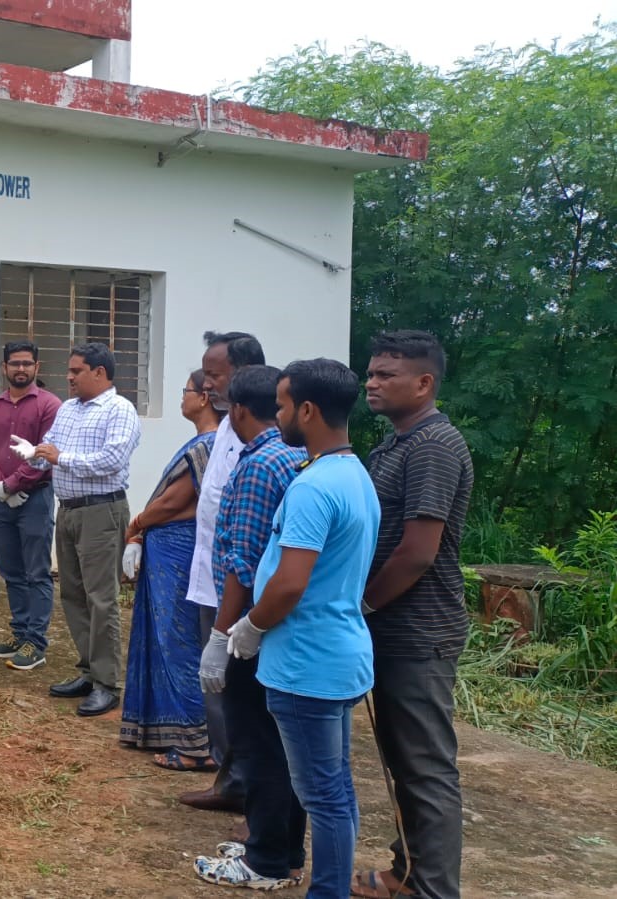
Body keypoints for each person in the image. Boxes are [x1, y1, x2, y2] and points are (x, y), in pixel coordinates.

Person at [224, 358, 380, 899]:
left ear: (308, 410)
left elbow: (290, 583)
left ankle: (328, 891)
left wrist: (248, 626)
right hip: (339, 653)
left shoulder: (314, 487)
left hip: (306, 663)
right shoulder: (353, 474)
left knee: (323, 795)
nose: (279, 414)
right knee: (334, 789)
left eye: (285, 405)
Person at [355, 331, 472, 899]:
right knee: (401, 759)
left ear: (424, 383)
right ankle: (407, 871)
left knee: (425, 769)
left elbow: (419, 551)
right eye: (371, 373)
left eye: (386, 375)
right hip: (390, 628)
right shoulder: (395, 444)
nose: (372, 383)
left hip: (418, 631)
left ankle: (433, 889)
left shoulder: (434, 447)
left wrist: (364, 605)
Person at [191, 365, 308, 890]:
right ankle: (282, 846)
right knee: (279, 743)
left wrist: (222, 636)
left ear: (238, 409)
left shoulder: (261, 464)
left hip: (252, 627)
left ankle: (265, 859)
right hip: (274, 624)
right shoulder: (293, 455)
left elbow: (246, 561)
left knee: (257, 740)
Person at [22, 343, 141, 717]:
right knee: (73, 594)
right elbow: (51, 449)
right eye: (70, 371)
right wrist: (34, 454)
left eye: (77, 371)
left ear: (100, 373)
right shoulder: (69, 409)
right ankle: (89, 671)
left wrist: (59, 458)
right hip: (70, 511)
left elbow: (111, 460)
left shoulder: (120, 410)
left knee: (101, 598)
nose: (69, 377)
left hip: (102, 512)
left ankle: (108, 683)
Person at [178, 330, 267, 810]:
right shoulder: (228, 428)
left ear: (244, 374)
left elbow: (247, 533)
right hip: (208, 579)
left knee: (242, 697)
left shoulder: (264, 440)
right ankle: (229, 780)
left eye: (214, 374)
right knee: (217, 691)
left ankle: (252, 793)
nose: (206, 384)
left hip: (240, 588)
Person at [118, 370, 220, 755]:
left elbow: (178, 502)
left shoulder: (207, 446)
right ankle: (165, 729)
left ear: (205, 398)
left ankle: (194, 741)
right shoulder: (204, 444)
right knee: (164, 639)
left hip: (179, 555)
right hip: (170, 551)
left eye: (186, 390)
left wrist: (139, 522)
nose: (182, 397)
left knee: (177, 641)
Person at [0, 340, 61, 669]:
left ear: (37, 368)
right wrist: (1, 487)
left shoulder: (50, 406)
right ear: (4, 368)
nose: (20, 369)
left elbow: (46, 452)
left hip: (35, 498)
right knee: (10, 570)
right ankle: (20, 632)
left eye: (27, 363)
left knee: (36, 571)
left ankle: (36, 642)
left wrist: (13, 485)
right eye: (14, 363)